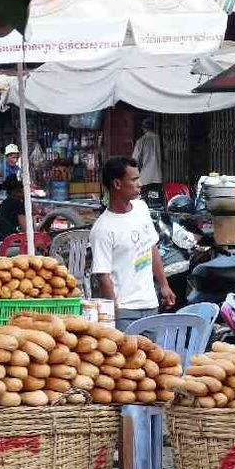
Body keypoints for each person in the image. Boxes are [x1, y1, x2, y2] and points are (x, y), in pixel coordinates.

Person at [90, 157, 175, 331]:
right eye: (134, 179)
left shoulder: (141, 208)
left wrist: (164, 285)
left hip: (151, 305)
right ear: (117, 184)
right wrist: (113, 315)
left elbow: (151, 248)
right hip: (125, 312)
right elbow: (103, 276)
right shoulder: (103, 229)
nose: (140, 184)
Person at [132, 117, 163, 209]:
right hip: (157, 177)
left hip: (145, 178)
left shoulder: (141, 141)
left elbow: (134, 160)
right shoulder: (159, 140)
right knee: (156, 203)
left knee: (144, 203)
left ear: (143, 128)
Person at [0, 174, 26, 241]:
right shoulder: (18, 205)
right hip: (13, 241)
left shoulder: (4, 203)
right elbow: (25, 229)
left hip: (3, 239)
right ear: (16, 191)